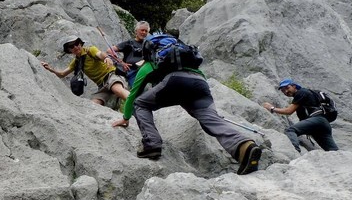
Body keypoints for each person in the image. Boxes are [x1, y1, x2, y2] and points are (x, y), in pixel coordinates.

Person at [111, 45, 262, 175]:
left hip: (175, 81)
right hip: (200, 83)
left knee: (141, 103)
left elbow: (133, 95)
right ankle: (244, 146)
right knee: (210, 119)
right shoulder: (185, 58)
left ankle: (152, 144)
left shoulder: (149, 64)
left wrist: (125, 117)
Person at [41, 36, 130, 109]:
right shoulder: (76, 62)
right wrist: (50, 69)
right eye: (72, 46)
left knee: (117, 89)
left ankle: (137, 103)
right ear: (69, 50)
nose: (75, 47)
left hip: (111, 76)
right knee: (93, 106)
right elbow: (62, 74)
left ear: (80, 43)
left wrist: (106, 58)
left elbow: (100, 54)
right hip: (102, 86)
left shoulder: (90, 50)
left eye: (76, 44)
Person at [262, 79, 338, 152]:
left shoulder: (301, 92)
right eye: (283, 91)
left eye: (287, 88)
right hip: (323, 124)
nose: (286, 91)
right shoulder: (305, 97)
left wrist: (271, 108)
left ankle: (295, 151)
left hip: (317, 120)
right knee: (332, 150)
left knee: (290, 130)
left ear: (294, 86)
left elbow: (289, 111)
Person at [108, 21, 150, 88]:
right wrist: (121, 62)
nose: (144, 32)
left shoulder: (148, 45)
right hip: (132, 72)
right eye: (142, 30)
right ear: (136, 31)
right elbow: (110, 50)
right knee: (138, 92)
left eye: (146, 31)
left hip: (145, 71)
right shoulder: (129, 43)